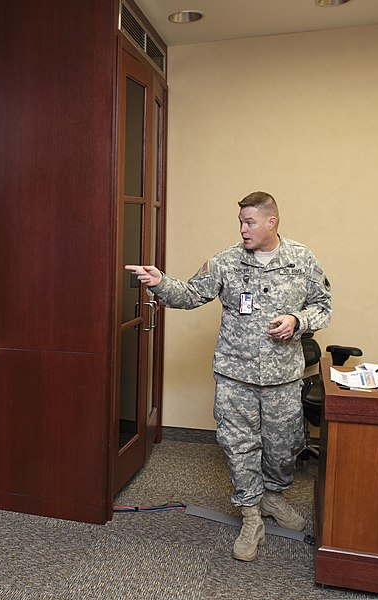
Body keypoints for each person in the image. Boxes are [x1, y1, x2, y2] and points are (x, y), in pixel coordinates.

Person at [125, 191, 332, 562]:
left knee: (285, 447)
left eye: (250, 221)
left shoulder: (302, 258)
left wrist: (297, 321)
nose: (243, 229)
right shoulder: (226, 260)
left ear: (272, 221)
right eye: (240, 221)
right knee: (238, 447)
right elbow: (189, 295)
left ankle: (273, 496)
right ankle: (252, 516)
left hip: (283, 378)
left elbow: (323, 306)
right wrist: (159, 282)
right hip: (235, 375)